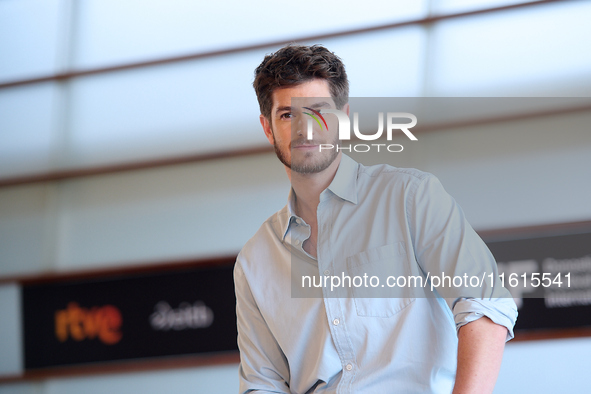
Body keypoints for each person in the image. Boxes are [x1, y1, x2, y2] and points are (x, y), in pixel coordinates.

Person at [234, 44, 517, 393]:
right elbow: (263, 384)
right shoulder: (254, 262)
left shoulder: (411, 197)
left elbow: (485, 304)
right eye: (288, 115)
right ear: (267, 127)